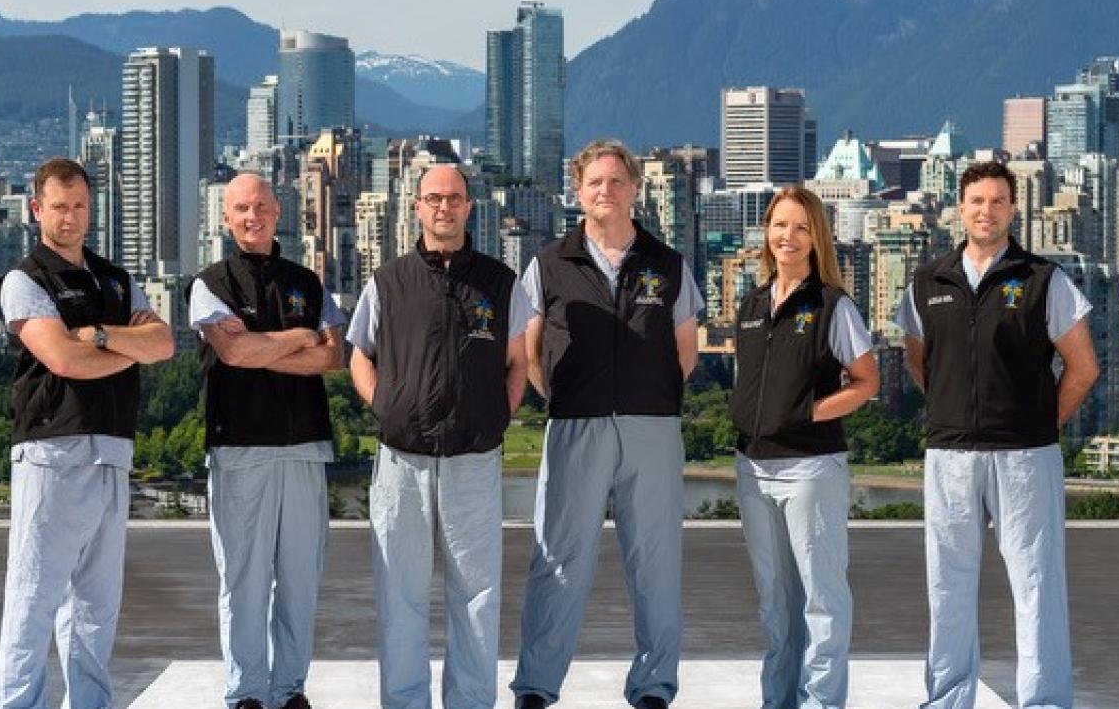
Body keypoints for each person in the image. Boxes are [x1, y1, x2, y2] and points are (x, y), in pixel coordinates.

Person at [896, 161, 1099, 709]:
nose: (986, 210)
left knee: (1036, 585)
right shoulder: (926, 282)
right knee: (947, 586)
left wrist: (1042, 422)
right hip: (950, 456)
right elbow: (921, 364)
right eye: (976, 200)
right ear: (959, 209)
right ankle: (947, 698)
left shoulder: (1043, 280)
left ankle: (1045, 701)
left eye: (998, 200)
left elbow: (1083, 368)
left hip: (1025, 457)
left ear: (1013, 209)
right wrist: (951, 408)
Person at [512, 139, 703, 709]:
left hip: (652, 426)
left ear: (635, 190)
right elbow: (529, 350)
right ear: (578, 192)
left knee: (656, 560)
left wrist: (652, 397)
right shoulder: (548, 264)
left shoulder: (668, 264)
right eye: (595, 183)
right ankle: (538, 685)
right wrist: (567, 397)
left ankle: (653, 686)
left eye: (616, 182)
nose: (606, 191)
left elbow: (686, 352)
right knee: (558, 556)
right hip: (576, 425)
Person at [0, 157, 175, 708]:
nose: (69, 218)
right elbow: (64, 361)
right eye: (58, 207)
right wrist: (127, 348)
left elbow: (164, 345)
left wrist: (96, 335)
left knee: (98, 608)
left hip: (113, 453)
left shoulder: (117, 280)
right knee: (33, 600)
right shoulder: (25, 280)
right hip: (51, 453)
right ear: (36, 210)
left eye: (79, 207)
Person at [347, 164, 531, 709]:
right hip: (400, 462)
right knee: (399, 594)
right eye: (433, 198)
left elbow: (518, 362)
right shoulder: (388, 281)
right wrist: (384, 404)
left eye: (454, 198)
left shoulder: (501, 283)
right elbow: (360, 355)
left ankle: (471, 702)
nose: (444, 208)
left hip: (473, 459)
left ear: (470, 207)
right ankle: (404, 703)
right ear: (417, 207)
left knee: (476, 594)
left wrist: (497, 414)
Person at [190, 173, 345, 709]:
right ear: (225, 218)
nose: (251, 216)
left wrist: (265, 345)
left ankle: (290, 688)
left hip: (304, 445)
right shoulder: (210, 283)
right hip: (238, 448)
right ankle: (247, 692)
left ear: (279, 212)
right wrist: (300, 337)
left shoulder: (309, 282)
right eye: (240, 208)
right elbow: (232, 355)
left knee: (300, 579)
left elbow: (333, 357)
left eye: (260, 206)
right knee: (244, 580)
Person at [729, 186, 878, 709]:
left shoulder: (833, 305)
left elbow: (866, 381)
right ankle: (779, 701)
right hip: (753, 467)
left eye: (799, 227)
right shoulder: (750, 304)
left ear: (817, 237)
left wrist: (808, 411)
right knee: (775, 601)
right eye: (778, 226)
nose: (787, 237)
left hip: (811, 468)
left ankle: (820, 702)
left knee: (821, 597)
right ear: (766, 233)